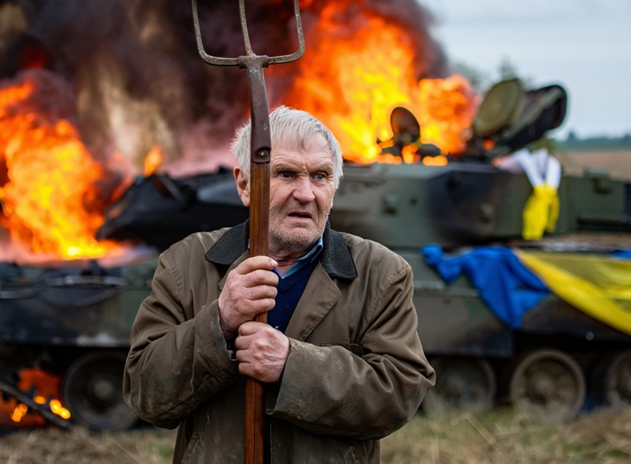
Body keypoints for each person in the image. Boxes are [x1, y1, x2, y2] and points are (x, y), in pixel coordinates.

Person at [123, 106, 434, 463]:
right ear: (244, 184)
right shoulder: (186, 263)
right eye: (286, 174)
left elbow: (399, 394)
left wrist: (293, 366)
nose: (306, 193)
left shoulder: (380, 273)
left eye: (320, 176)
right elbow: (145, 394)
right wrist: (219, 322)